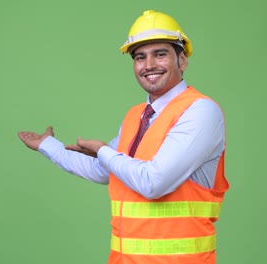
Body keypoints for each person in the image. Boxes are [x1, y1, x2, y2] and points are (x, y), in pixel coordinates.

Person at [18, 10, 229, 264]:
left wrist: (104, 151)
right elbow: (104, 170)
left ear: (182, 60)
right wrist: (48, 146)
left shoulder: (201, 111)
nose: (149, 65)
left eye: (160, 54)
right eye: (140, 57)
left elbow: (154, 182)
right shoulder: (136, 115)